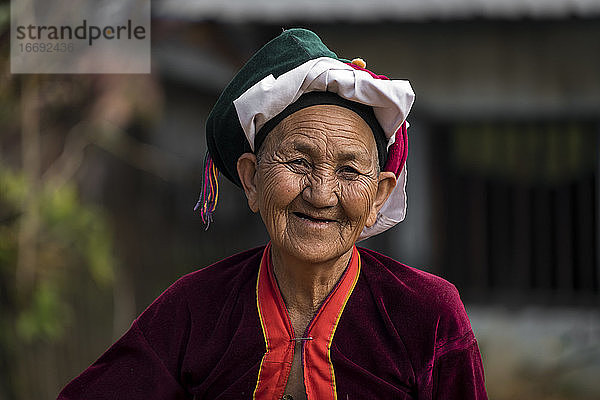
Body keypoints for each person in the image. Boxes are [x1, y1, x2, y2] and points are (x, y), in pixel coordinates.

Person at [58, 28, 487, 399]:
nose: (321, 194)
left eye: (349, 170)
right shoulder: (194, 309)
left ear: (378, 195)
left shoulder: (427, 314)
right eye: (298, 163)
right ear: (251, 180)